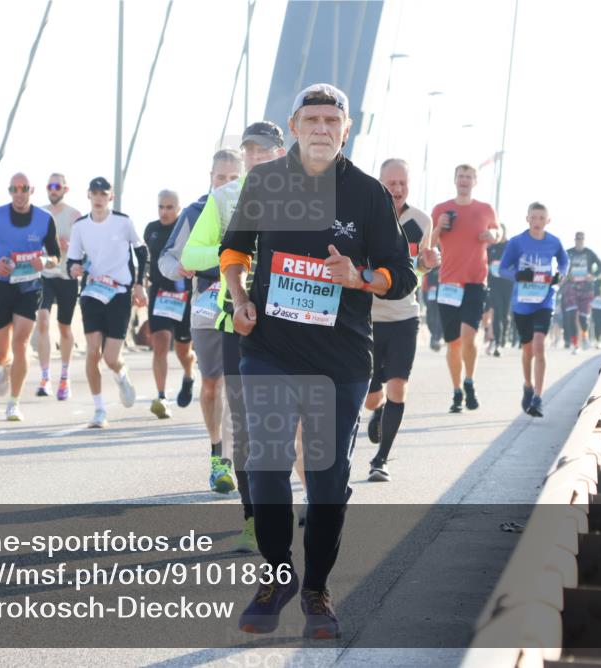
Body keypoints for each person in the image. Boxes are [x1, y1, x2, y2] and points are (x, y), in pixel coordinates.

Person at [220, 83, 415, 639]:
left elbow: (402, 275)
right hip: (270, 350)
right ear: (295, 126)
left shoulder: (368, 194)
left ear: (346, 129)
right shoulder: (264, 181)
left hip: (340, 360)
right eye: (313, 119)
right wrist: (239, 300)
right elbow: (234, 250)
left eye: (333, 120)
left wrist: (359, 277)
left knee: (327, 483)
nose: (322, 128)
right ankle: (277, 576)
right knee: (266, 468)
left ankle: (316, 589)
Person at [181, 128, 290, 544]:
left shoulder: (305, 197)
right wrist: (234, 250)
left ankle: (287, 504)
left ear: (280, 153)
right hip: (237, 323)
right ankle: (252, 520)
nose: (255, 156)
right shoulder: (224, 198)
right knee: (244, 428)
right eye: (250, 150)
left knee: (288, 426)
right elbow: (191, 255)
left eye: (264, 150)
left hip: (291, 323)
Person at [160, 149, 245, 493]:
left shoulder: (258, 208)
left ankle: (237, 457)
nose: (226, 183)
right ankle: (217, 454)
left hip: (246, 303)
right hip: (208, 304)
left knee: (241, 386)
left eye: (233, 178)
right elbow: (167, 258)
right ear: (211, 177)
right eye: (220, 177)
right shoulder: (196, 211)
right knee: (212, 384)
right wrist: (179, 267)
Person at [364, 158, 439, 482]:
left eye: (402, 184)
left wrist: (427, 264)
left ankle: (380, 459)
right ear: (379, 183)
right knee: (371, 397)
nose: (396, 189)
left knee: (398, 387)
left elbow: (416, 270)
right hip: (368, 318)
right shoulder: (365, 217)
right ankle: (378, 410)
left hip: (404, 316)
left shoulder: (421, 221)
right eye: (391, 183)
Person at [67, 177, 148, 429]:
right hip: (92, 292)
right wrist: (74, 269)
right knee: (93, 352)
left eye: (104, 194)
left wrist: (139, 284)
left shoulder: (123, 222)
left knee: (111, 357)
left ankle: (121, 375)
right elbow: (72, 260)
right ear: (88, 195)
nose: (99, 198)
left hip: (119, 293)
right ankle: (99, 410)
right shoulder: (80, 226)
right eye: (95, 193)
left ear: (110, 197)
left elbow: (142, 251)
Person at [0, 173, 61, 421]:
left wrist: (45, 261)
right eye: (14, 189)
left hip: (29, 287)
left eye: (24, 189)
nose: (19, 194)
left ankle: (14, 402)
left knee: (21, 342)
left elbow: (56, 256)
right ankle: (7, 366)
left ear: (32, 190)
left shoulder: (44, 219)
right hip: (0, 286)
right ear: (9, 191)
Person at [431, 165, 501, 413]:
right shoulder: (440, 209)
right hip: (449, 282)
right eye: (460, 176)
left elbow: (498, 230)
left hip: (475, 282)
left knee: (469, 337)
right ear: (454, 180)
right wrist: (438, 227)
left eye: (468, 177)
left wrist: (492, 234)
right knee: (453, 343)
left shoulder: (485, 209)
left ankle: (469, 381)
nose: (464, 180)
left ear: (475, 181)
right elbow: (428, 244)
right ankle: (457, 391)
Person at [497, 202, 569, 418]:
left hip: (545, 299)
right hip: (522, 302)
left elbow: (564, 262)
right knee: (528, 349)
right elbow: (502, 269)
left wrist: (560, 275)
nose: (537, 222)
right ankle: (528, 385)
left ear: (548, 221)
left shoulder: (554, 242)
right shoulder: (517, 242)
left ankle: (538, 397)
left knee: (539, 345)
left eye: (541, 218)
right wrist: (518, 275)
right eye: (534, 217)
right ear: (527, 218)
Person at [143, 189, 195, 418]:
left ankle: (189, 374)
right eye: (160, 207)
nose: (164, 212)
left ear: (179, 209)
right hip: (159, 293)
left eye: (169, 207)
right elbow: (146, 258)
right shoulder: (151, 230)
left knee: (184, 350)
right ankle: (162, 396)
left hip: (183, 294)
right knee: (160, 343)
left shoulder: (187, 229)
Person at [35, 173, 83, 399]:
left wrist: (69, 246)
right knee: (42, 320)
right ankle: (45, 377)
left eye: (57, 186)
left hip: (66, 276)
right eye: (49, 186)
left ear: (65, 189)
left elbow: (83, 246)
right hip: (45, 274)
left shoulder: (74, 215)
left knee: (64, 327)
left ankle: (65, 375)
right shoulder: (39, 213)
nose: (53, 190)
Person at [561, 231, 601, 354]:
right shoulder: (568, 252)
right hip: (571, 287)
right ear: (574, 240)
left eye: (581, 239)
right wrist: (565, 275)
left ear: (584, 240)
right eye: (577, 238)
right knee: (571, 315)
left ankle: (584, 335)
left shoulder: (589, 253)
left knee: (583, 318)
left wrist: (593, 275)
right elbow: (560, 266)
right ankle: (575, 344)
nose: (579, 241)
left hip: (586, 288)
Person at [485, 224, 511, 357]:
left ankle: (504, 336)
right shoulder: (491, 248)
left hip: (508, 284)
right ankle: (497, 341)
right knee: (497, 311)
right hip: (494, 284)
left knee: (505, 314)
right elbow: (484, 263)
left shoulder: (511, 246)